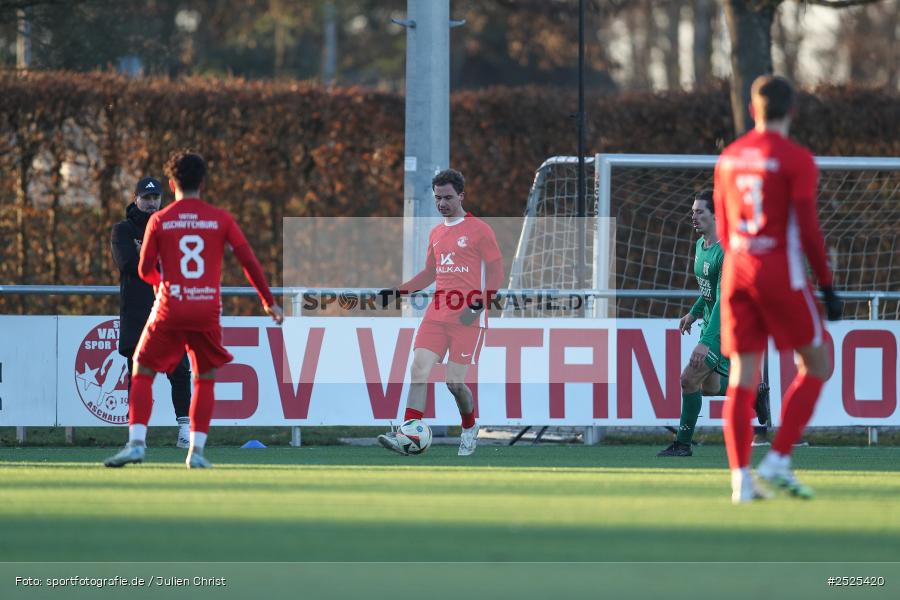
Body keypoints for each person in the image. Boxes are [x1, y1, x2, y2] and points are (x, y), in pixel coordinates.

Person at [104, 151, 283, 469]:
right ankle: (196, 452)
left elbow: (144, 269)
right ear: (203, 182)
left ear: (171, 184)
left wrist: (161, 286)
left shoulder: (160, 220)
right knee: (203, 377)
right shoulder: (221, 219)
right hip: (206, 309)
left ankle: (135, 444)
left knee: (142, 369)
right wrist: (268, 301)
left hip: (170, 306)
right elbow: (248, 261)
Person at [714, 75, 842, 503]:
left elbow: (724, 227)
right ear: (793, 111)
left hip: (737, 271)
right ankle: (779, 457)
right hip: (779, 273)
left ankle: (741, 482)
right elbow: (807, 227)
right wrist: (826, 284)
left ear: (753, 110)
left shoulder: (729, 157)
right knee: (819, 361)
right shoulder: (796, 158)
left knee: (742, 377)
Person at [376, 169, 504, 457]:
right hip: (437, 313)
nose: (442, 203)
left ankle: (470, 426)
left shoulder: (480, 230)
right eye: (437, 198)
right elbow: (430, 273)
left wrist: (479, 304)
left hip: (467, 318)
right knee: (418, 369)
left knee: (454, 383)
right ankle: (406, 435)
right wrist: (398, 292)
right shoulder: (436, 233)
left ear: (461, 195)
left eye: (447, 197)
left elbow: (497, 272)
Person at [658, 190, 771, 457]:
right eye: (692, 212)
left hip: (728, 325)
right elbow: (710, 290)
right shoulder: (701, 246)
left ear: (717, 215)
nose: (694, 217)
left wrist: (704, 342)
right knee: (706, 386)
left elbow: (724, 300)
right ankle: (752, 391)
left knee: (688, 379)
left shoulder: (728, 252)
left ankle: (683, 444)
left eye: (700, 212)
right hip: (712, 321)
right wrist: (694, 313)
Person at [111, 177, 192, 448]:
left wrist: (145, 254)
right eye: (146, 198)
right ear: (135, 198)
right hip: (137, 312)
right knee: (137, 373)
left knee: (180, 370)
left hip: (169, 311)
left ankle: (184, 431)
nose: (151, 202)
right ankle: (137, 435)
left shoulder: (173, 228)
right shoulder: (122, 230)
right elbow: (129, 265)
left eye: (155, 197)